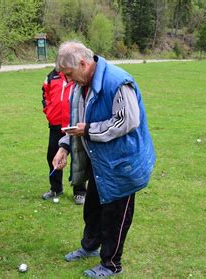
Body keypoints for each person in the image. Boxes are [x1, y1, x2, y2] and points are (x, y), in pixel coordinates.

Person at [52, 41, 155, 277]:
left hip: (123, 164)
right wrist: (64, 147)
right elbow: (76, 121)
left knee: (115, 218)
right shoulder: (81, 85)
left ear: (83, 63)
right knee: (93, 209)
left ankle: (111, 264)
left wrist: (89, 130)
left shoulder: (117, 82)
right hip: (100, 163)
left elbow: (127, 121)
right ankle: (89, 247)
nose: (68, 81)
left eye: (69, 74)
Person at [41, 68, 86, 204]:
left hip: (74, 125)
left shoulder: (79, 74)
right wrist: (48, 111)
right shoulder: (51, 75)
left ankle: (80, 191)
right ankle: (56, 188)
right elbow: (45, 93)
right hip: (56, 125)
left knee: (78, 158)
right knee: (52, 157)